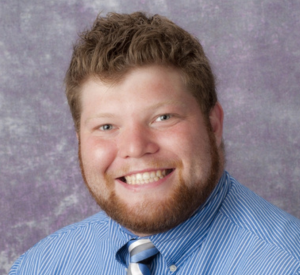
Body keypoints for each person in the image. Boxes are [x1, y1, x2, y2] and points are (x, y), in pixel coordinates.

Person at [10, 12, 300, 275]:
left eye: (162, 117)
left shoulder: (288, 263)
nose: (135, 147)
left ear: (213, 125)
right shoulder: (40, 266)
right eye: (106, 126)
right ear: (80, 141)